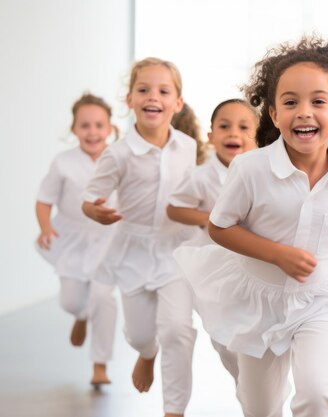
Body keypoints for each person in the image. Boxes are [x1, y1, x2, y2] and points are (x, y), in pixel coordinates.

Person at [174, 37, 328, 417]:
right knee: (259, 407)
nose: (304, 112)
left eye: (318, 102)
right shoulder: (250, 169)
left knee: (317, 396)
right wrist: (277, 254)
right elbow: (219, 228)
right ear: (274, 115)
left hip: (324, 297)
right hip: (257, 298)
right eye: (291, 102)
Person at [82, 57, 197, 417]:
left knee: (178, 329)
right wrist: (94, 211)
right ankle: (146, 353)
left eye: (164, 91)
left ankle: (174, 410)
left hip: (177, 248)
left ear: (177, 103)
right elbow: (90, 198)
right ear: (129, 99)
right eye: (144, 89)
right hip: (132, 250)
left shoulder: (189, 147)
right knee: (141, 334)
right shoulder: (117, 154)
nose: (153, 97)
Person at [167, 98, 258, 381]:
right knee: (224, 338)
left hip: (253, 268)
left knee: (254, 341)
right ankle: (246, 386)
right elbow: (174, 208)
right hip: (214, 268)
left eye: (244, 127)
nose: (234, 133)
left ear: (260, 137)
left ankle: (258, 394)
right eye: (224, 126)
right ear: (210, 136)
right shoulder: (202, 176)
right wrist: (207, 219)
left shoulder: (261, 173)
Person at [35, 93, 118, 386]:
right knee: (71, 300)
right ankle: (81, 316)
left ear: (110, 128)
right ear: (74, 129)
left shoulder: (119, 157)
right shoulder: (63, 163)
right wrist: (46, 228)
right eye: (85, 125)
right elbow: (44, 200)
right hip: (72, 238)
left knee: (103, 298)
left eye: (99, 125)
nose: (92, 132)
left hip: (108, 241)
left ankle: (100, 365)